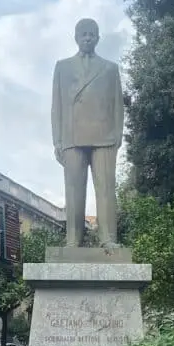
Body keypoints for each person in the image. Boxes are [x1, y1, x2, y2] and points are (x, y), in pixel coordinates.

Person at [51, 18, 124, 247]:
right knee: (73, 190)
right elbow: (57, 106)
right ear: (75, 37)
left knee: (106, 189)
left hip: (104, 136)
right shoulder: (62, 67)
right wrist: (58, 140)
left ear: (98, 38)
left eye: (92, 34)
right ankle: (73, 238)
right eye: (83, 34)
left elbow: (118, 105)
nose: (87, 38)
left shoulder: (110, 68)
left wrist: (117, 136)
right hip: (72, 136)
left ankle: (108, 238)